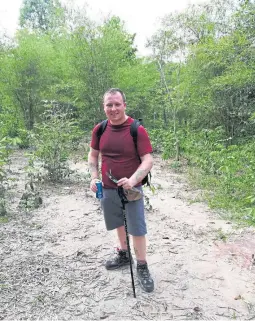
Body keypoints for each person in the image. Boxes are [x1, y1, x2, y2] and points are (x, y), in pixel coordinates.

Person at [88, 88, 154, 293]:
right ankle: (124, 254)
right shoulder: (100, 129)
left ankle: (142, 265)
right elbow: (93, 156)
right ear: (104, 107)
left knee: (137, 227)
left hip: (131, 188)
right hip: (107, 187)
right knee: (117, 221)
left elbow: (148, 159)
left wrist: (134, 179)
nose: (113, 108)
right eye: (109, 104)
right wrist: (94, 177)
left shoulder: (136, 129)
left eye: (117, 104)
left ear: (124, 105)